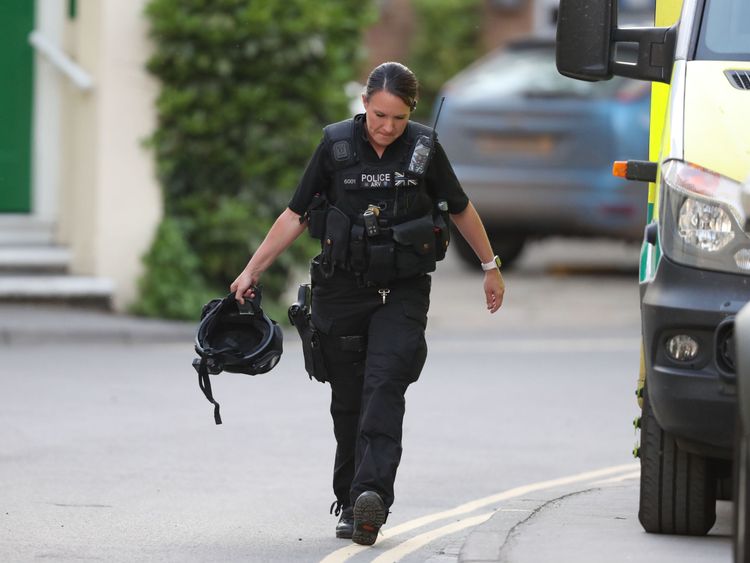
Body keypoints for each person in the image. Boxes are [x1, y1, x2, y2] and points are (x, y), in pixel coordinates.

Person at [231, 61, 505, 546]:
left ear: (411, 113)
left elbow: (460, 207)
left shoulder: (424, 148)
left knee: (384, 388)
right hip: (341, 290)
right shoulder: (336, 147)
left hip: (402, 292)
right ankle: (349, 499)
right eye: (380, 115)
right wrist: (253, 269)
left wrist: (489, 267)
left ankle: (371, 498)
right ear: (364, 104)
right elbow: (296, 214)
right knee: (348, 399)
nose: (387, 128)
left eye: (398, 118)